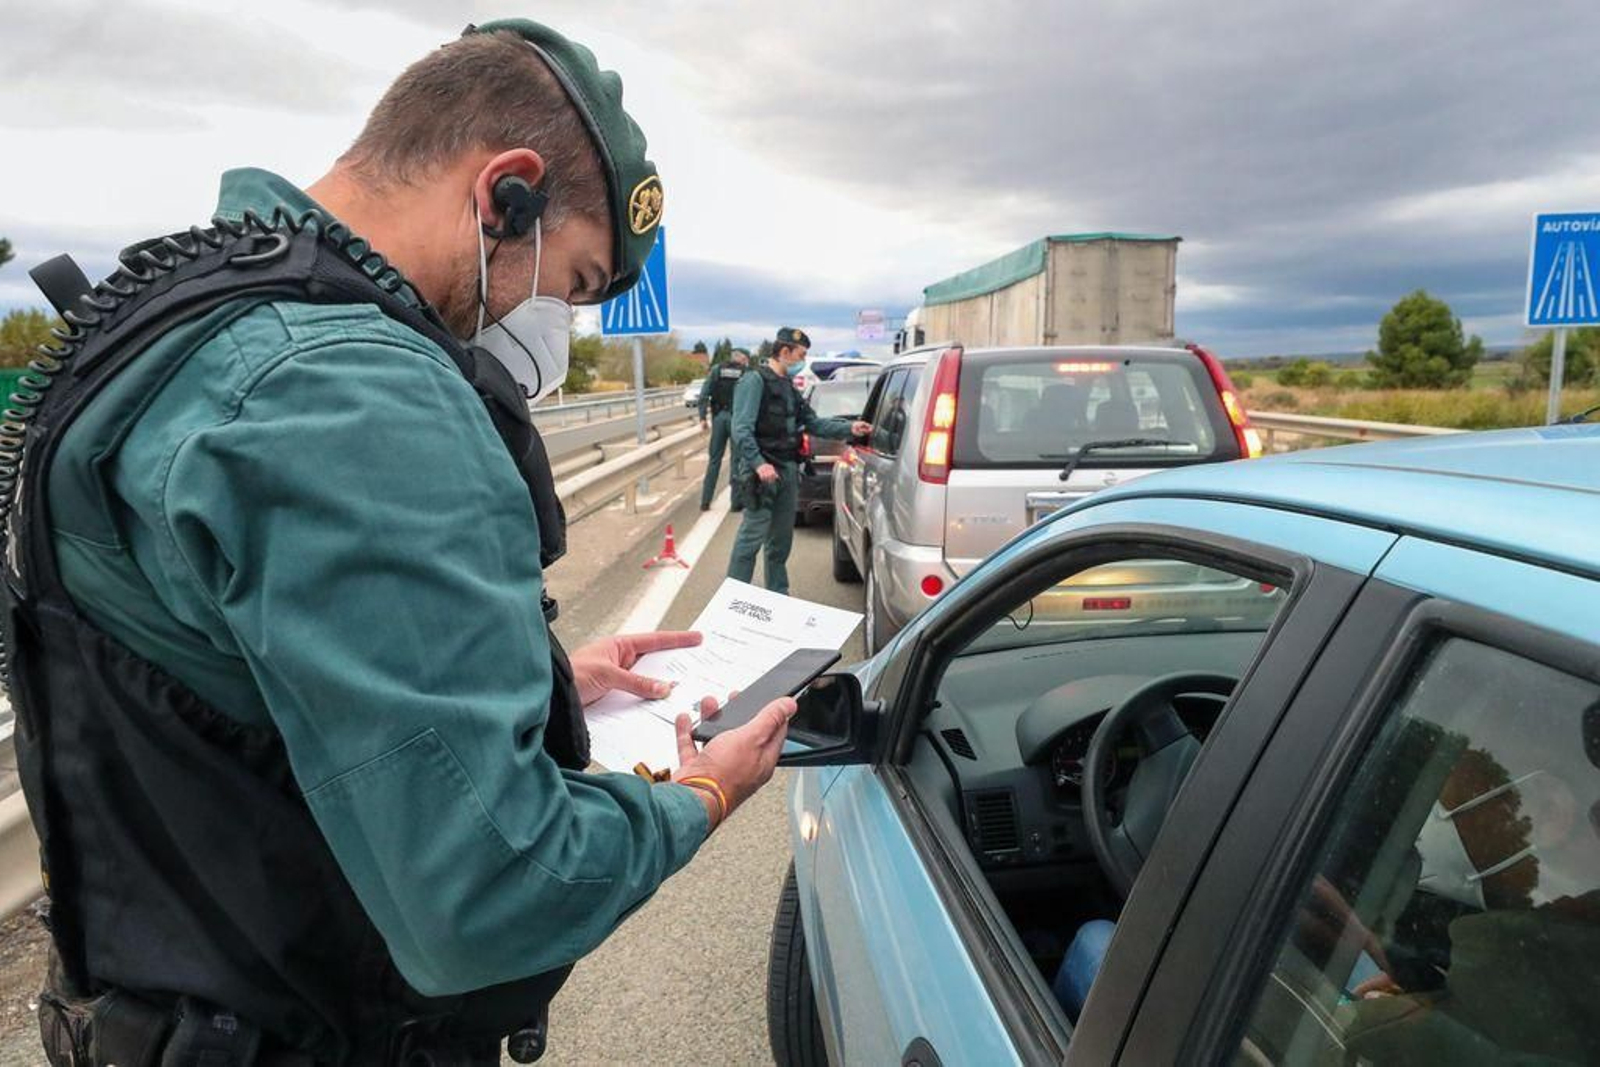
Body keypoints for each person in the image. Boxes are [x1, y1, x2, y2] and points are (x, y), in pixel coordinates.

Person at [10, 20, 798, 1067]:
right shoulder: (351, 392)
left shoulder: (178, 319)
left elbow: (220, 676)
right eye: (569, 282)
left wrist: (536, 682)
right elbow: (490, 894)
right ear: (505, 194)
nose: (554, 323)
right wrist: (700, 797)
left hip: (164, 998)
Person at [727, 328, 870, 593]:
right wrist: (758, 463)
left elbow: (814, 423)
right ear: (785, 352)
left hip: (787, 471)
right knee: (750, 540)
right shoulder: (754, 381)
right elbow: (741, 429)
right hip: (760, 476)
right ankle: (733, 599)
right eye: (801, 355)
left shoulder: (789, 388)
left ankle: (778, 595)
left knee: (780, 544)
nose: (803, 361)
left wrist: (850, 428)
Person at [697, 346, 751, 511]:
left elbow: (704, 394)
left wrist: (702, 417)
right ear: (742, 359)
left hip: (719, 417)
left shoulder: (717, 370)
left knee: (714, 460)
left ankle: (705, 501)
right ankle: (735, 502)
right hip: (737, 420)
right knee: (736, 460)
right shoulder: (746, 373)